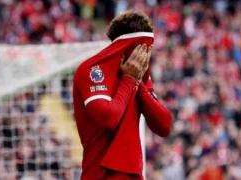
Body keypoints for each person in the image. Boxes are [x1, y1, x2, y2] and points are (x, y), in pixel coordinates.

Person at [73, 10, 172, 180]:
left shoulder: (138, 77)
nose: (146, 56)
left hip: (134, 174)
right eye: (142, 49)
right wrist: (129, 80)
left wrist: (136, 82)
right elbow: (107, 119)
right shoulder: (92, 70)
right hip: (101, 174)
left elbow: (164, 126)